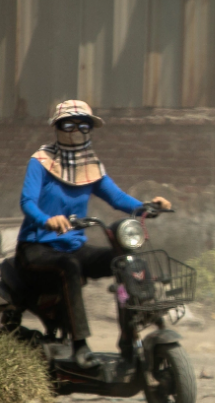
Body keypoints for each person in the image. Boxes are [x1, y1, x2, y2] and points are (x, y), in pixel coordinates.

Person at [16, 101, 171, 369]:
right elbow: (27, 201)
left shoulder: (91, 166)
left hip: (73, 246)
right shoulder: (41, 161)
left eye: (83, 124)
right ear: (56, 127)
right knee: (70, 266)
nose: (76, 130)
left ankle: (129, 336)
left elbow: (118, 198)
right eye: (69, 123)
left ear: (90, 129)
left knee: (126, 260)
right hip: (36, 248)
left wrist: (149, 207)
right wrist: (46, 220)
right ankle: (80, 345)